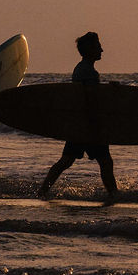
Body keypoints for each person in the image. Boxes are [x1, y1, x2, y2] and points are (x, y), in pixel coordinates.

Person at [37, 31, 118, 201]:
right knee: (104, 162)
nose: (102, 50)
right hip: (89, 126)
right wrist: (110, 94)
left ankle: (43, 190)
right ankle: (114, 195)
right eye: (98, 46)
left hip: (80, 125)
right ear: (89, 49)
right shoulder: (88, 72)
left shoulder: (82, 69)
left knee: (66, 161)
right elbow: (90, 99)